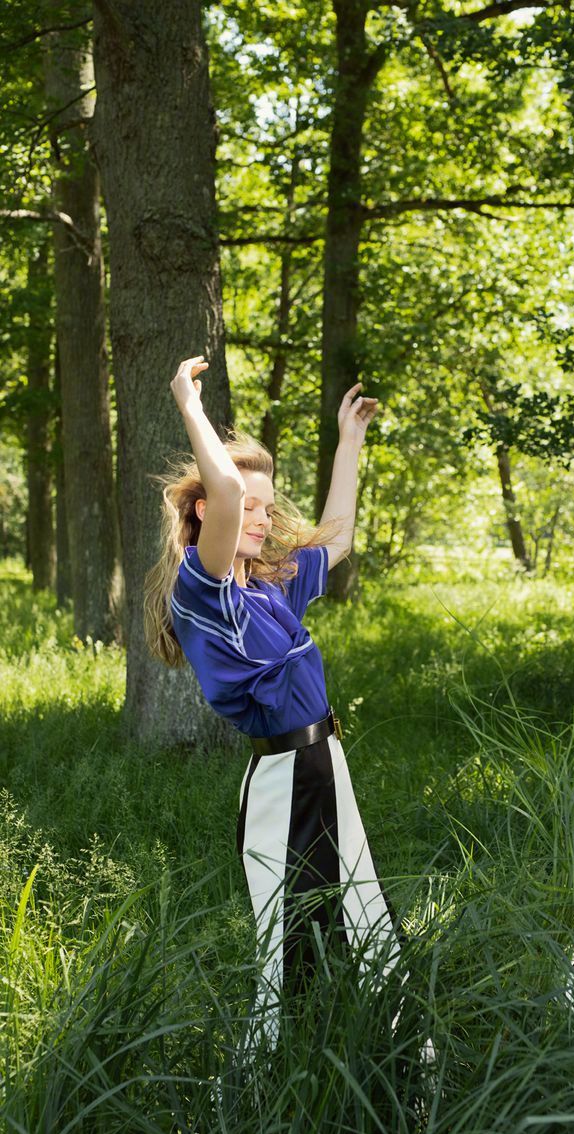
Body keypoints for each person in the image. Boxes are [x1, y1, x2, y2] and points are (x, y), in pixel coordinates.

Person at [144, 356, 401, 1047]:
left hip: (324, 763)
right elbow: (225, 494)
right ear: (208, 510)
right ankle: (264, 1102)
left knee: (367, 919)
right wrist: (189, 407)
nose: (259, 519)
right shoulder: (206, 593)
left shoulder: (269, 583)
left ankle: (396, 1067)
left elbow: (338, 539)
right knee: (290, 951)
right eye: (247, 508)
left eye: (266, 507)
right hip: (285, 779)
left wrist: (349, 443)